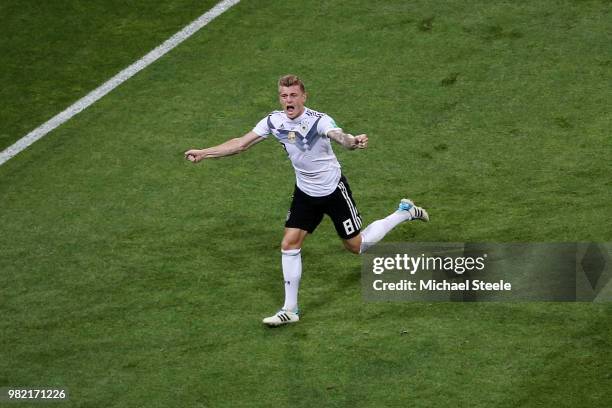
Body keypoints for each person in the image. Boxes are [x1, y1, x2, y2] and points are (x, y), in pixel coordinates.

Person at [185, 74, 429, 326]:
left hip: (333, 191)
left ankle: (404, 212)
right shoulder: (274, 121)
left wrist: (352, 142)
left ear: (303, 97)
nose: (288, 100)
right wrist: (204, 153)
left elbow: (339, 136)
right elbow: (240, 144)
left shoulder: (318, 121)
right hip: (305, 193)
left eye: (293, 95)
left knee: (357, 247)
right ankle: (290, 309)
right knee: (289, 244)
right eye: (283, 96)